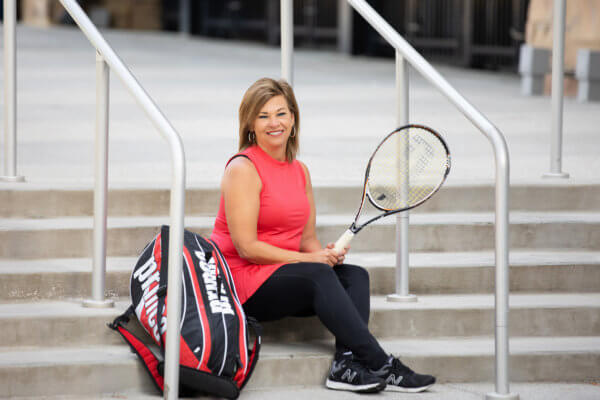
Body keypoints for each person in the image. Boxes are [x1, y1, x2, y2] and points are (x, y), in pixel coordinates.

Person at [210, 77, 435, 393]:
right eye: (263, 116)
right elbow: (246, 248)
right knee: (317, 274)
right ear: (250, 123)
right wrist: (311, 260)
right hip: (241, 281)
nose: (274, 123)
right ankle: (381, 363)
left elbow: (306, 240)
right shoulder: (242, 168)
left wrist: (325, 256)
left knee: (354, 276)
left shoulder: (300, 171)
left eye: (281, 113)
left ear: (293, 118)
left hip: (283, 274)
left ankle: (345, 365)